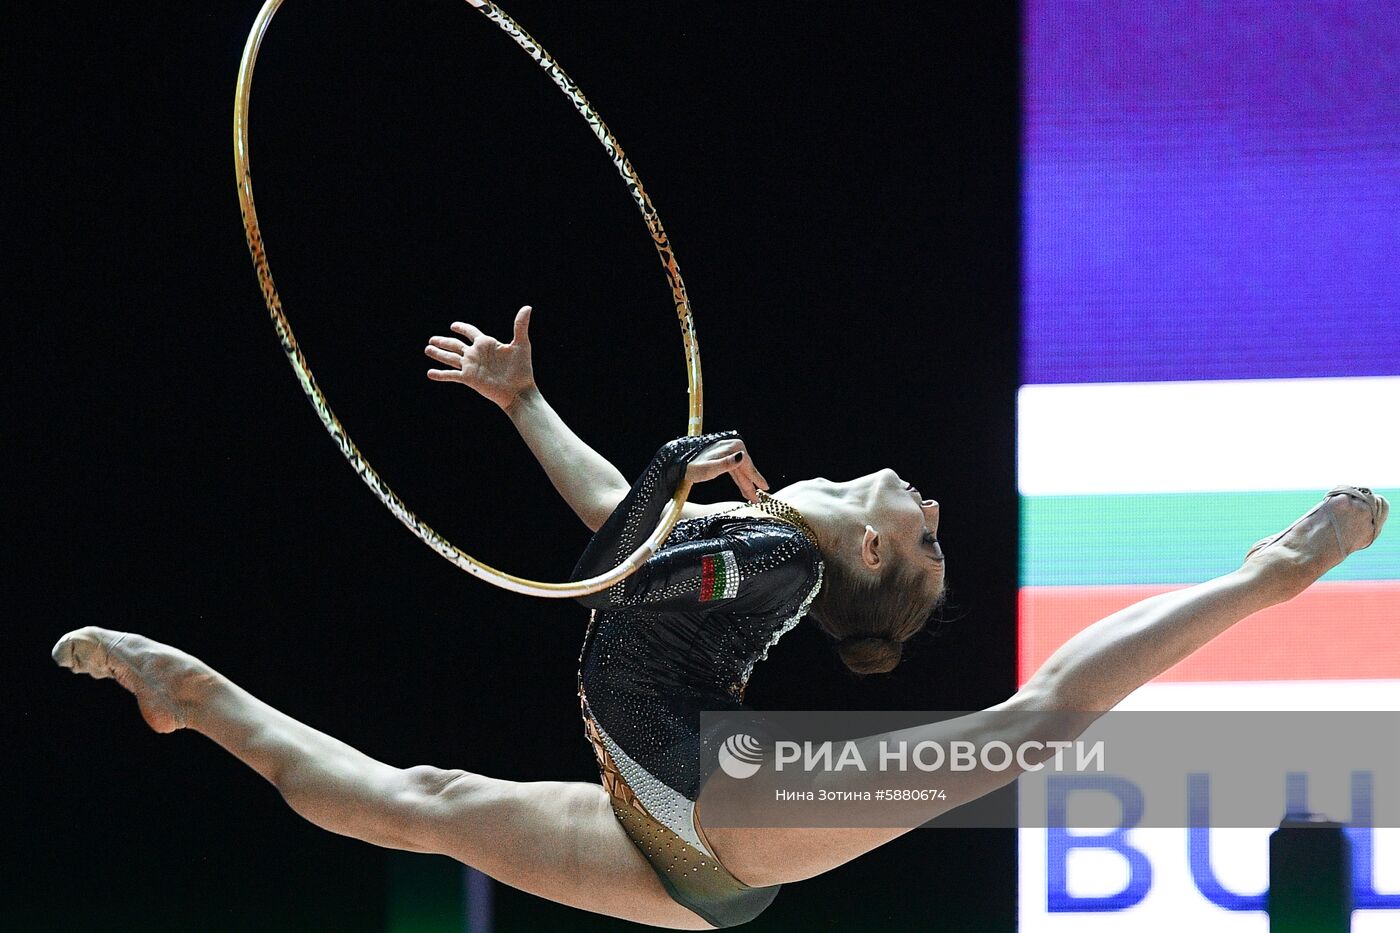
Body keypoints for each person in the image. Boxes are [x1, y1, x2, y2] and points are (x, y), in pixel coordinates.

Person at [53, 306, 1388, 929]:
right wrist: (525, 406)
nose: (927, 499)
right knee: (416, 795)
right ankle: (197, 696)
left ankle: (1270, 573)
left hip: (721, 796)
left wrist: (609, 460)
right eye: (930, 515)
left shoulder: (778, 562)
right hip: (671, 832)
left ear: (869, 544)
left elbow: (620, 542)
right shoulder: (754, 543)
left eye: (924, 528)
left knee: (1032, 721)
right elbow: (623, 554)